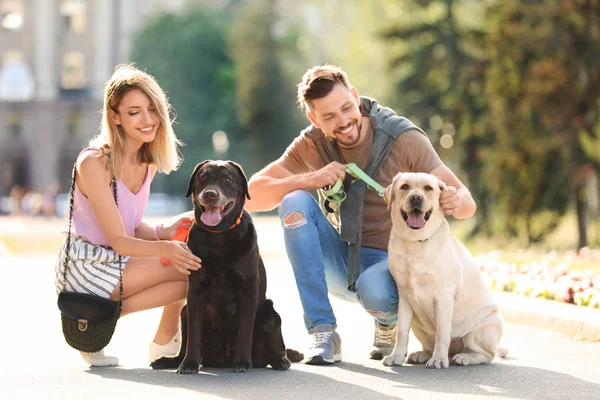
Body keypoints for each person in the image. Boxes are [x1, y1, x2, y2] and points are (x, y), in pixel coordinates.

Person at [245, 65, 476, 365]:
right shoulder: (312, 143)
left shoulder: (401, 137)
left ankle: (386, 321)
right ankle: (323, 331)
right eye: (328, 116)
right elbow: (252, 194)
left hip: (392, 264)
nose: (342, 121)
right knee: (293, 201)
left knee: (376, 291)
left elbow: (468, 204)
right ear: (314, 119)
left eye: (346, 107)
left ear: (355, 96)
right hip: (342, 259)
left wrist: (455, 200)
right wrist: (309, 179)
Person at [54, 64, 202, 367]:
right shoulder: (94, 162)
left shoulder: (146, 163)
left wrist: (166, 230)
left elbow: (132, 227)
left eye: (152, 109)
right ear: (115, 117)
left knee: (193, 274)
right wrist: (167, 248)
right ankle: (94, 316)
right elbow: (121, 240)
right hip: (86, 266)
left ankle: (157, 339)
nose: (147, 120)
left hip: (114, 259)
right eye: (134, 112)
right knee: (187, 264)